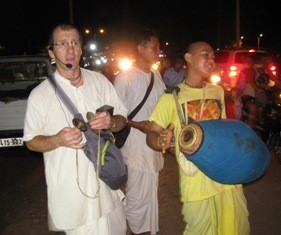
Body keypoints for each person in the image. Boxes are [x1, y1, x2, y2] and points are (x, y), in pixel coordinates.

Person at [23, 24, 128, 235]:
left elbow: (122, 120)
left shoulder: (99, 81)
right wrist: (57, 140)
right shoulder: (40, 95)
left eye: (74, 43)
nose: (70, 49)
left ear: (81, 49)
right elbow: (31, 141)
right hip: (73, 196)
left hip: (106, 186)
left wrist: (110, 121)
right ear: (51, 52)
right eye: (62, 44)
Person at [146, 41, 250, 235]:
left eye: (213, 56)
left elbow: (225, 130)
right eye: (205, 55)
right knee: (199, 229)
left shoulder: (217, 91)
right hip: (195, 179)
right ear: (188, 58)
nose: (211, 60)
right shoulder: (171, 97)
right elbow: (152, 133)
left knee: (233, 225)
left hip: (224, 174)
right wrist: (161, 141)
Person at [113, 29, 166, 235]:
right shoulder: (124, 78)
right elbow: (114, 115)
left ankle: (148, 230)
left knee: (149, 192)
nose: (158, 50)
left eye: (158, 46)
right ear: (140, 48)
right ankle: (137, 230)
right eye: (154, 46)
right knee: (136, 195)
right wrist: (138, 125)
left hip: (153, 142)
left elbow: (163, 104)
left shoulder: (156, 75)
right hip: (135, 144)